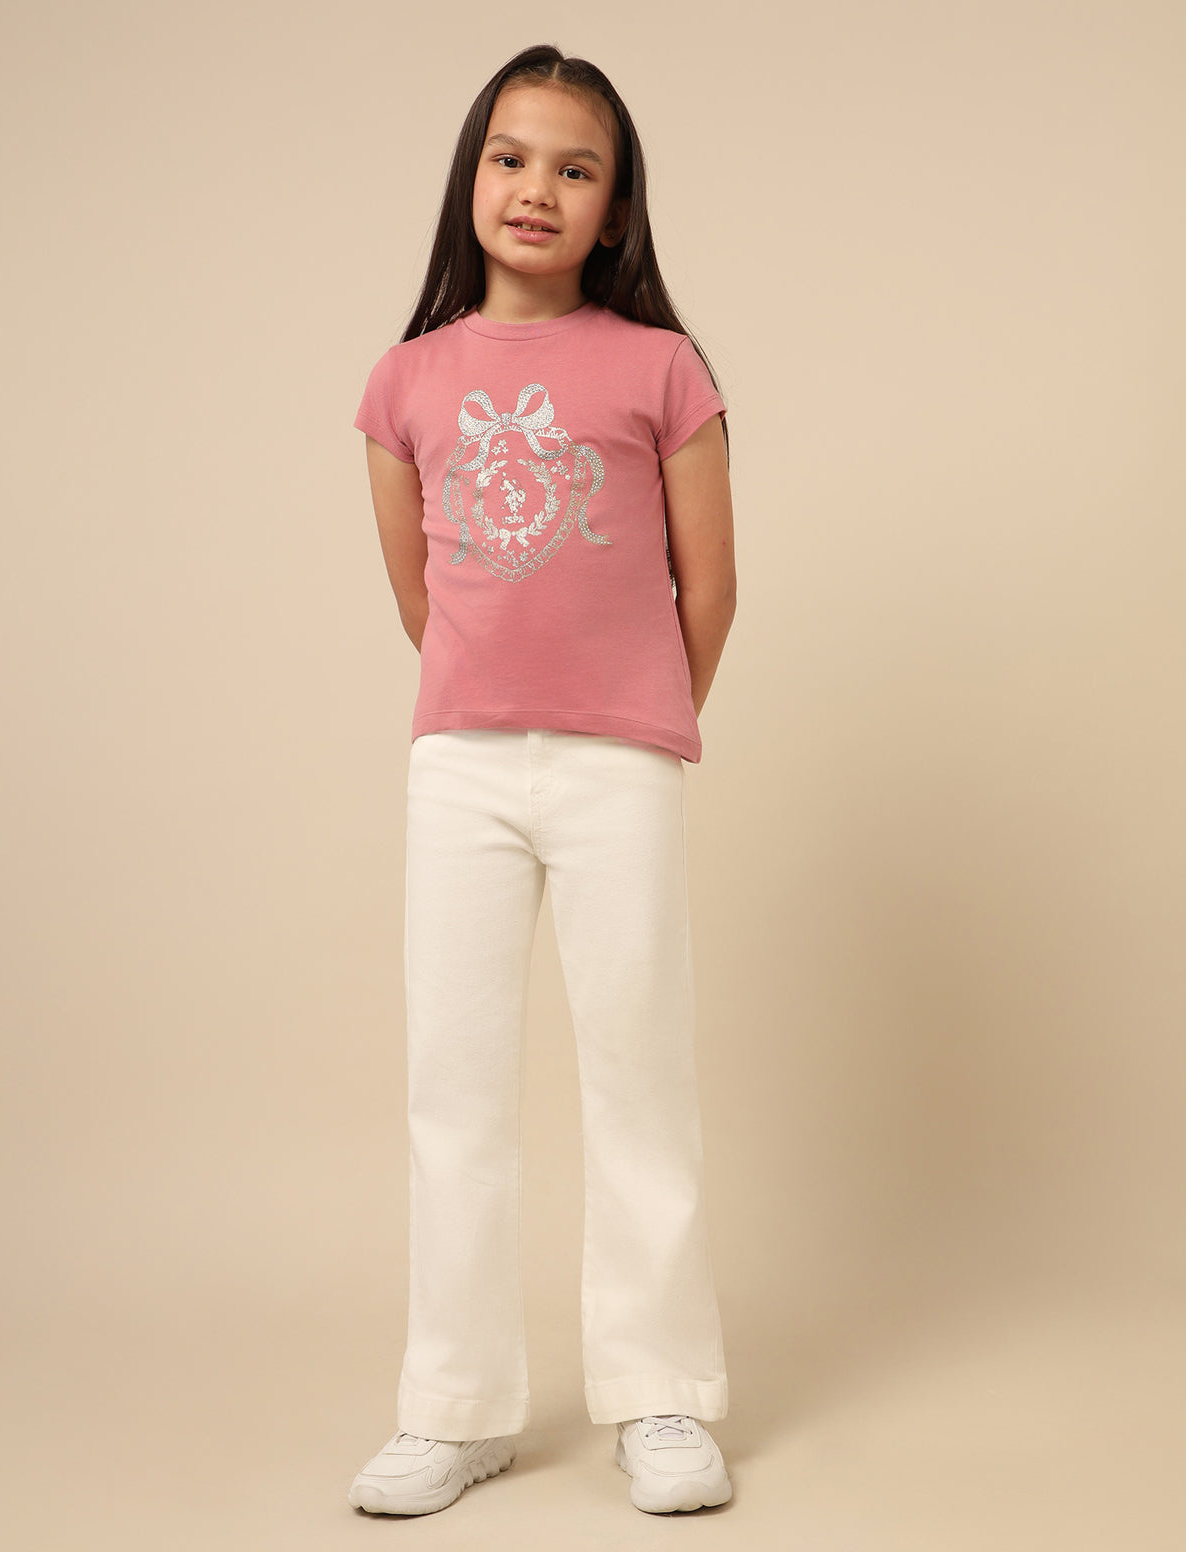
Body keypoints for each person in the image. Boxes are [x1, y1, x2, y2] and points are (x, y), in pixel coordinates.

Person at [347, 42, 737, 1517]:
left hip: (618, 764)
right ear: (471, 177)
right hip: (459, 771)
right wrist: (498, 703)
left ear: (614, 209)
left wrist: (627, 717)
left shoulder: (662, 369)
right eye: (511, 158)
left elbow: (712, 587)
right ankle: (456, 1407)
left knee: (639, 1075)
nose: (537, 188)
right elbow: (423, 593)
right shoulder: (406, 381)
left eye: (577, 169)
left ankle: (661, 1392)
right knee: (452, 1089)